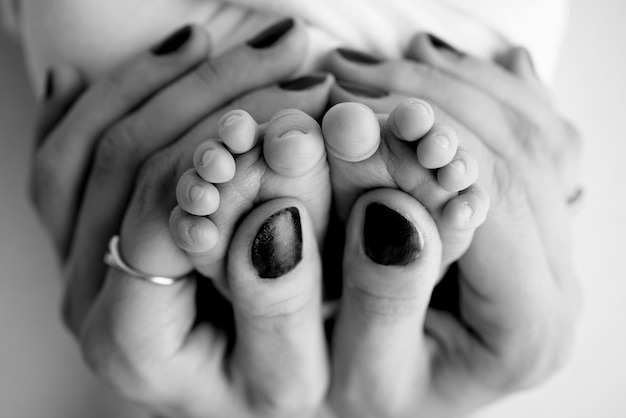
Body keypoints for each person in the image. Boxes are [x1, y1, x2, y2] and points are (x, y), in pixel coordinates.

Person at [4, 0, 581, 416]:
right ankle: (351, 239)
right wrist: (545, 204)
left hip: (177, 95)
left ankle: (298, 233)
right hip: (419, 76)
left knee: (107, 54)